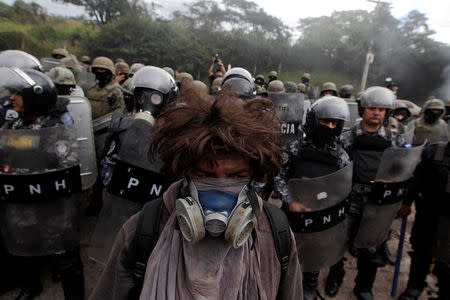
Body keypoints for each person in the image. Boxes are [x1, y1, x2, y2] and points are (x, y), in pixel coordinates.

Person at [89, 87, 303, 300]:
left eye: (237, 176)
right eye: (205, 175)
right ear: (186, 172)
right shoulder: (144, 229)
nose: (221, 187)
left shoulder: (275, 233)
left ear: (253, 176)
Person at [0, 67, 84, 300]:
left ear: (35, 95)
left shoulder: (58, 126)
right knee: (22, 243)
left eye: (17, 94)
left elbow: (69, 163)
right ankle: (30, 286)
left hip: (55, 202)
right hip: (21, 198)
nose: (12, 98)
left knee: (66, 255)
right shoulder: (14, 124)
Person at [274, 96, 351, 300]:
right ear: (314, 120)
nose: (330, 126)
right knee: (285, 252)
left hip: (320, 215)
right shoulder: (294, 147)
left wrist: (325, 203)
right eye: (325, 121)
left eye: (335, 123)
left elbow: (342, 187)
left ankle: (309, 286)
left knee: (315, 252)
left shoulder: (340, 155)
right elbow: (279, 176)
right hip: (291, 213)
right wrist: (291, 200)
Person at [339, 86, 405, 300]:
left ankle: (364, 286)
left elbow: (401, 168)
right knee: (340, 241)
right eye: (372, 108)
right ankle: (335, 274)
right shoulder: (348, 137)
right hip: (351, 197)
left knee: (373, 246)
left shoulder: (394, 139)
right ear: (362, 110)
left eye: (381, 109)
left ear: (386, 113)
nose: (377, 112)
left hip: (378, 199)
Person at [397, 141, 450, 300]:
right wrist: (407, 202)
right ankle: (415, 286)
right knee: (421, 252)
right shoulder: (435, 151)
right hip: (429, 214)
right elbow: (418, 178)